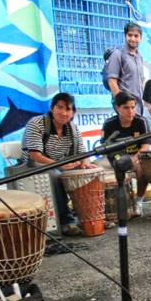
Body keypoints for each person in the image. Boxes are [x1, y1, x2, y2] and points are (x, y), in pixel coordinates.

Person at [20, 92, 94, 237]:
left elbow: (83, 153)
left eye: (68, 109)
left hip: (60, 165)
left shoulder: (73, 128)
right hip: (33, 166)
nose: (64, 113)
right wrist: (58, 165)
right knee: (55, 176)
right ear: (51, 108)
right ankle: (67, 222)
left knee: (92, 172)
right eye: (60, 107)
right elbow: (35, 155)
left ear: (73, 113)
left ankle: (91, 218)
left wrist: (85, 164)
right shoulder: (37, 123)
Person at [101, 91, 151, 216]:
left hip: (136, 157)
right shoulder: (109, 124)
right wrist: (116, 159)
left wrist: (132, 159)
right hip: (114, 157)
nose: (131, 111)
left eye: (133, 107)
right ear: (117, 108)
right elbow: (105, 147)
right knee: (94, 169)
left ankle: (138, 202)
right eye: (126, 108)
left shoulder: (141, 121)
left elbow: (146, 146)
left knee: (143, 170)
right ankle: (103, 209)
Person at [105, 21, 145, 114]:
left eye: (136, 36)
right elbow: (112, 81)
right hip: (126, 108)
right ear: (125, 36)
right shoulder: (117, 54)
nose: (133, 39)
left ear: (140, 38)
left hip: (138, 106)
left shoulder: (139, 57)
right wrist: (121, 105)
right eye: (130, 35)